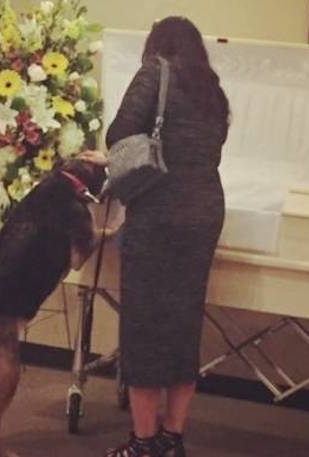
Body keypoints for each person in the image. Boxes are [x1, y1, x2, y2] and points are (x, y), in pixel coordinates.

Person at [79, 16, 230, 457]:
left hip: (160, 213)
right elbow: (211, 148)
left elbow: (120, 133)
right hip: (205, 211)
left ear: (157, 44)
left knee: (144, 326)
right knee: (184, 325)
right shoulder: (213, 89)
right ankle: (172, 437)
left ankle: (142, 444)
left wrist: (108, 158)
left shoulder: (154, 72)